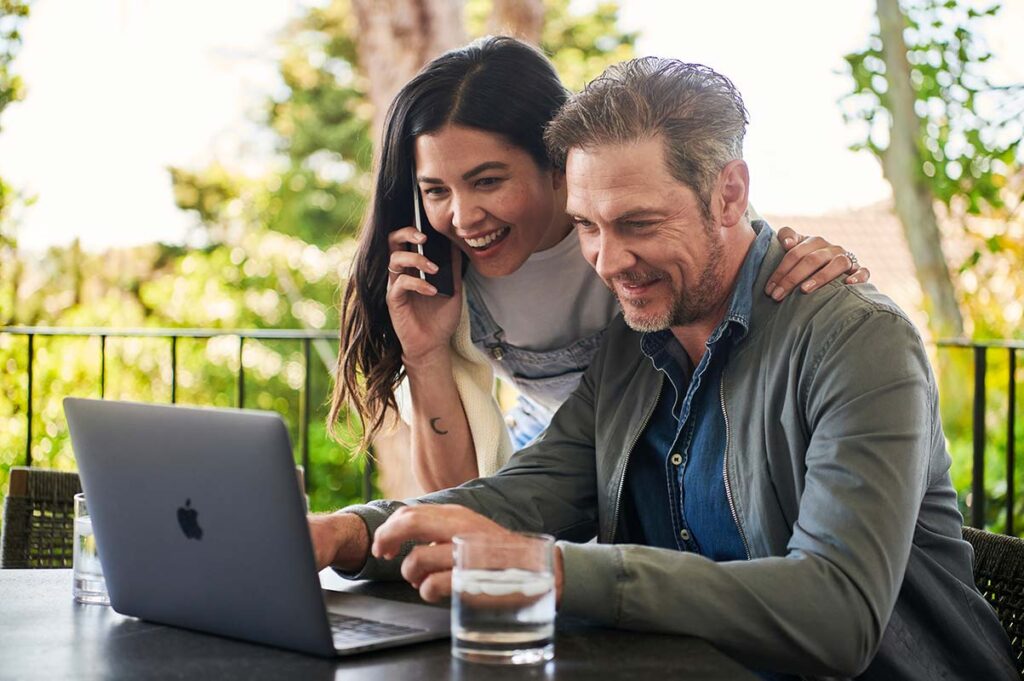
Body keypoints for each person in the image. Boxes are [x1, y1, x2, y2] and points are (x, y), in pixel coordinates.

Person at [309, 57, 1017, 679]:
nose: (610, 263)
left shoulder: (856, 341)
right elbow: (528, 491)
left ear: (730, 194)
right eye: (587, 226)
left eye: (638, 224)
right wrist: (352, 531)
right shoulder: (635, 340)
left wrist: (552, 568)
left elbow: (838, 614)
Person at [329, 36, 869, 492]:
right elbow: (455, 498)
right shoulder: (442, 279)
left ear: (558, 163)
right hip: (551, 458)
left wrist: (809, 262)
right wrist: (424, 355)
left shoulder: (646, 220)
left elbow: (741, 249)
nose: (463, 216)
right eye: (435, 190)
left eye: (488, 181)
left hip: (672, 454)